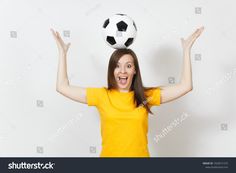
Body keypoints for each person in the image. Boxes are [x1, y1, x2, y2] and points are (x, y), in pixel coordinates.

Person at [50, 26, 204, 157]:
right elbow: (62, 87)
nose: (122, 71)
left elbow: (185, 86)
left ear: (134, 71)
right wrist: (62, 53)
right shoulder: (101, 96)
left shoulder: (146, 96)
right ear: (112, 70)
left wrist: (186, 50)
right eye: (117, 66)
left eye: (128, 66)